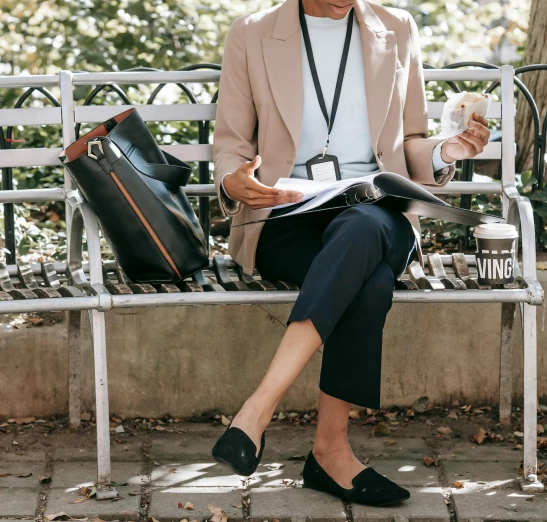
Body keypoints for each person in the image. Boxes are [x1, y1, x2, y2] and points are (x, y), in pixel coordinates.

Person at [210, 0, 490, 507]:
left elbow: (411, 141)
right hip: (288, 215)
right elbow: (230, 144)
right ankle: (330, 452)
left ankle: (257, 410)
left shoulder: (396, 27)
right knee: (370, 279)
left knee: (362, 230)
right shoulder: (251, 33)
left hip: (377, 211)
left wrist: (448, 152)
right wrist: (236, 181)